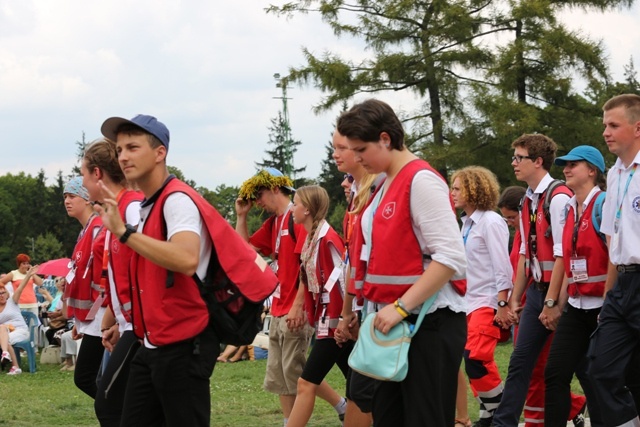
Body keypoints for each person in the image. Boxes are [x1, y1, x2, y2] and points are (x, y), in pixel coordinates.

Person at [97, 114, 273, 426]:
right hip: (154, 343)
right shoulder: (150, 204)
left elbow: (186, 257)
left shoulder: (176, 200)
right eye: (120, 149)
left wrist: (125, 233)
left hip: (183, 344)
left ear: (159, 152)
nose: (123, 156)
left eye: (133, 147)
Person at [338, 99, 467, 426]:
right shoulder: (383, 183)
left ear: (385, 138)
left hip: (428, 322)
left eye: (361, 148)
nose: (357, 157)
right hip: (395, 321)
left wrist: (399, 307)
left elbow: (450, 256)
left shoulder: (421, 180)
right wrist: (365, 309)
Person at [236, 168, 346, 426]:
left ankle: (342, 406)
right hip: (278, 307)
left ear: (275, 188)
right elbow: (244, 251)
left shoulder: (294, 220)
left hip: (294, 308)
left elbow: (306, 267)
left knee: (298, 371)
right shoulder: (274, 222)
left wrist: (299, 306)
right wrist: (242, 216)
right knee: (280, 377)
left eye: (259, 194)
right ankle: (290, 420)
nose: (258, 202)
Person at [493, 134, 586, 427]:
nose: (514, 163)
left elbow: (563, 255)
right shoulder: (527, 200)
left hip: (560, 295)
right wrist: (514, 300)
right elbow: (524, 253)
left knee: (583, 366)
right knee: (520, 363)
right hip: (535, 292)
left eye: (519, 157)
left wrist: (553, 303)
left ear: (538, 161)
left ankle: (617, 414)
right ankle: (502, 423)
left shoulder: (558, 198)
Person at [543, 145, 608, 426]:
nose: (566, 169)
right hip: (576, 306)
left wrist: (610, 305)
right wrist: (555, 303)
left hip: (604, 308)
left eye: (574, 164)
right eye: (565, 165)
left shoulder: (603, 204)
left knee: (604, 378)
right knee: (555, 374)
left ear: (592, 171)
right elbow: (569, 261)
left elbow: (615, 258)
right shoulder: (570, 209)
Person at [80, 137, 143, 427]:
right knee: (129, 406)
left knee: (108, 404)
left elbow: (145, 263)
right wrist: (117, 319)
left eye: (83, 175)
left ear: (96, 174)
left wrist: (128, 320)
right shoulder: (117, 209)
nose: (83, 185)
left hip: (144, 326)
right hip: (131, 324)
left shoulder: (130, 208)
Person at [588, 93, 640, 427]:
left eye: (614, 125)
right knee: (598, 369)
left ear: (638, 128)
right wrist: (610, 292)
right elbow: (612, 240)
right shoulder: (615, 174)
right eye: (604, 125)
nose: (606, 132)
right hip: (623, 286)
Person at [451, 166, 512, 426]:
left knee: (475, 359)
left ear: (474, 189)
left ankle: (499, 412)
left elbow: (503, 267)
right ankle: (488, 415)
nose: (452, 193)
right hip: (467, 303)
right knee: (479, 362)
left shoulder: (491, 221)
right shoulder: (465, 223)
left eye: (457, 188)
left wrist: (502, 304)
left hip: (487, 301)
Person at [287, 185, 351, 427]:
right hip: (328, 321)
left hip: (333, 324)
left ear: (308, 209)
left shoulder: (327, 239)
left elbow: (343, 281)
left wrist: (345, 319)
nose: (292, 208)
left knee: (306, 383)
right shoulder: (313, 238)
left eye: (296, 203)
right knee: (358, 387)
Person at [332, 128, 380, 427]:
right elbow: (353, 264)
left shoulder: (379, 196)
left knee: (369, 392)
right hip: (369, 311)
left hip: (393, 315)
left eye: (341, 147)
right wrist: (349, 311)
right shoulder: (356, 207)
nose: (336, 155)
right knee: (362, 390)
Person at [63, 175, 105, 398]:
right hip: (93, 319)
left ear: (87, 198)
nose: (66, 201)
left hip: (102, 317)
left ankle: (117, 416)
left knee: (86, 378)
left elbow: (102, 280)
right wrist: (81, 321)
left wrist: (92, 317)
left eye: (72, 196)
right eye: (65, 197)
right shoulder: (84, 231)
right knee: (97, 379)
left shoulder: (97, 229)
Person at [0, 265, 39, 375]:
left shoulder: (12, 301)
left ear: (7, 293)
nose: (1, 296)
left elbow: (21, 287)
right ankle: (5, 353)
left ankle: (16, 367)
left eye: (3, 292)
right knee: (2, 329)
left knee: (4, 340)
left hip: (21, 331)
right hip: (5, 332)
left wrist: (29, 275)